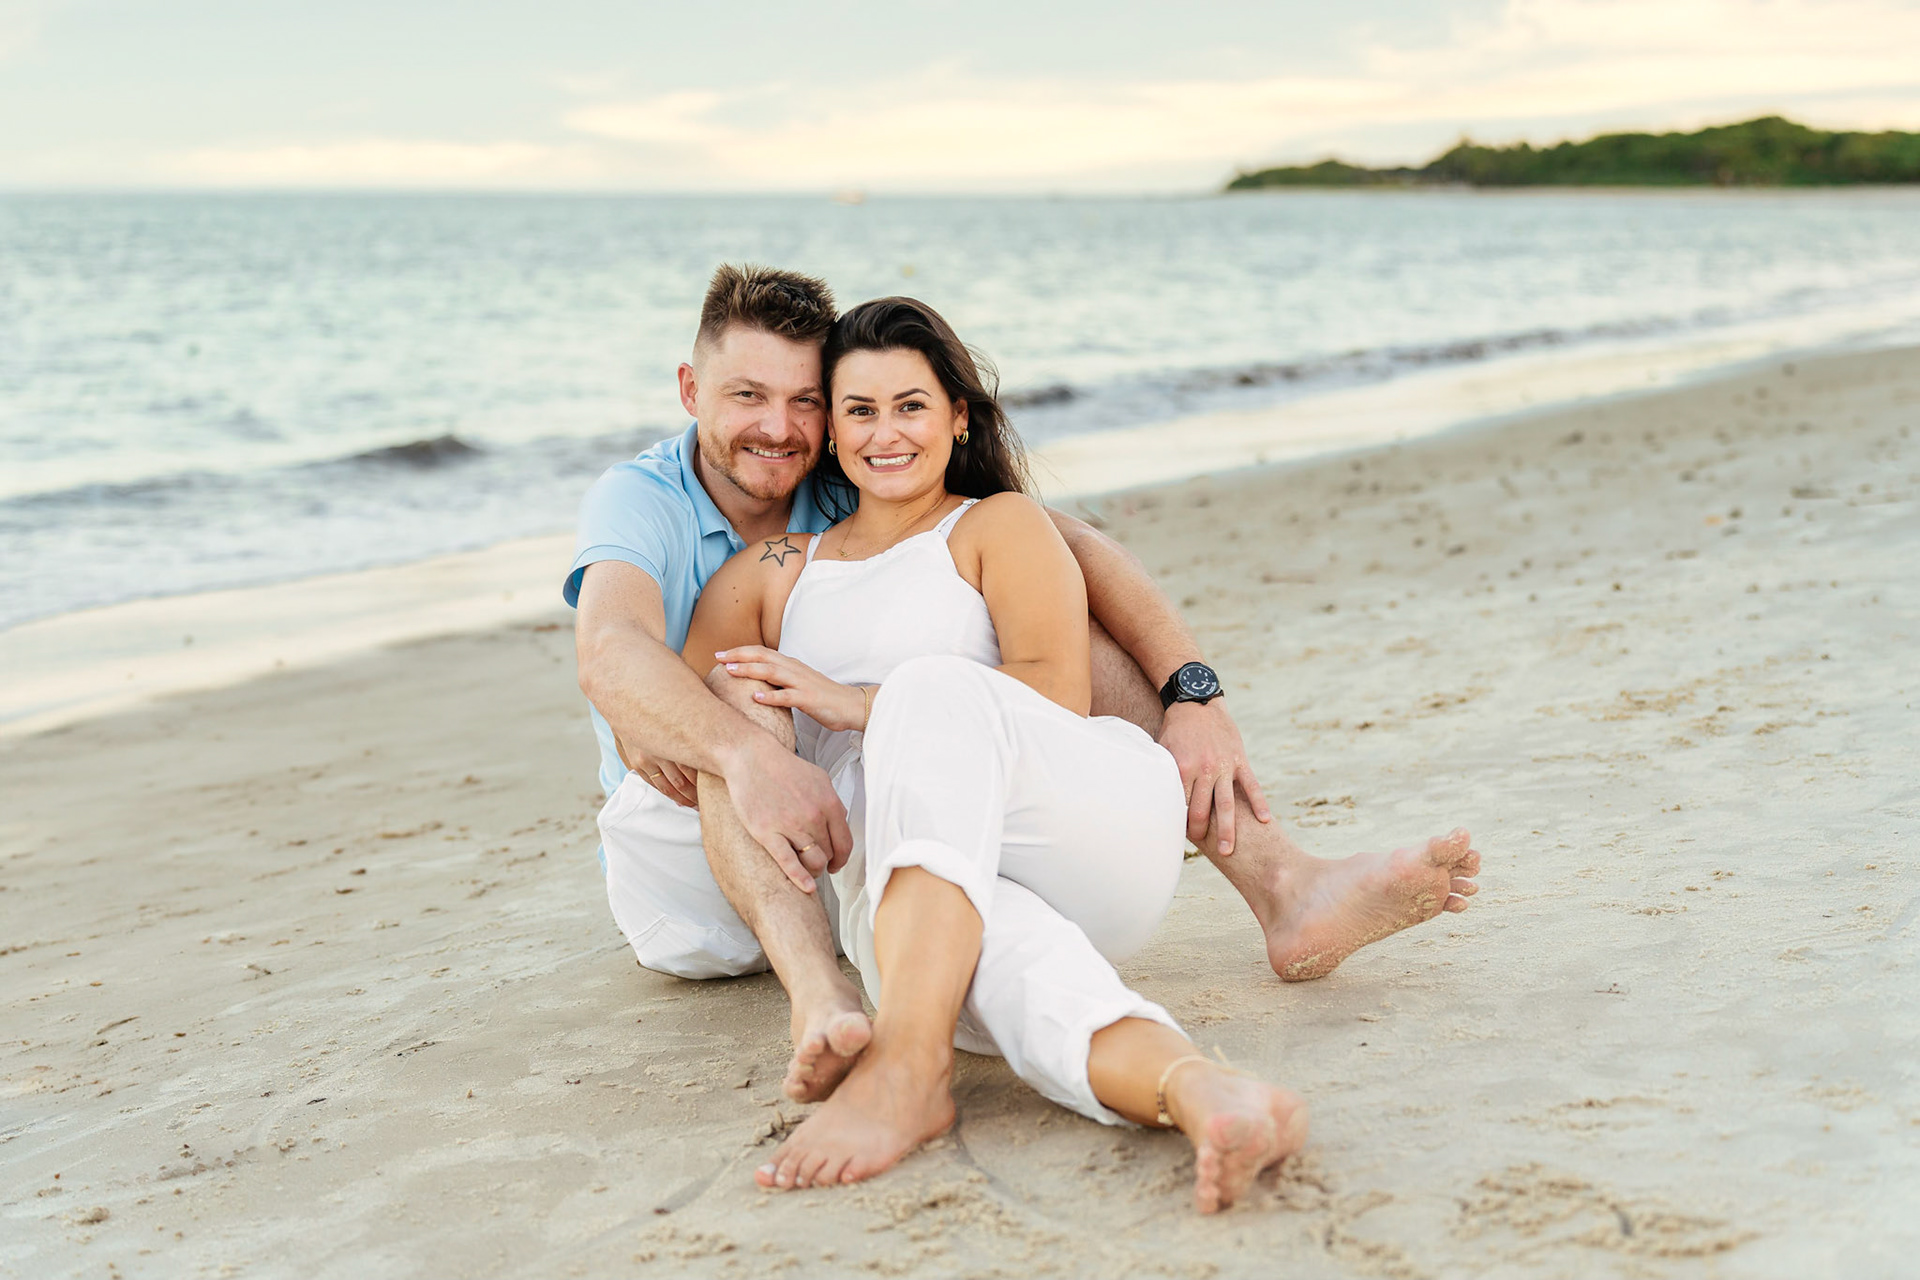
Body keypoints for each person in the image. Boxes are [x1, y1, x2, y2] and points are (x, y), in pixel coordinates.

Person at [567, 264, 1479, 1108]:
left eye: (807, 400)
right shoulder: (646, 499)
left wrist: (1196, 695)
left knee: (1064, 640)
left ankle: (1281, 892)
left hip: (845, 820)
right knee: (735, 694)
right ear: (691, 392)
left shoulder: (851, 474)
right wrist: (713, 738)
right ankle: (820, 993)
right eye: (747, 396)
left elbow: (1077, 548)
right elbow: (612, 652)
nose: (780, 425)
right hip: (695, 832)